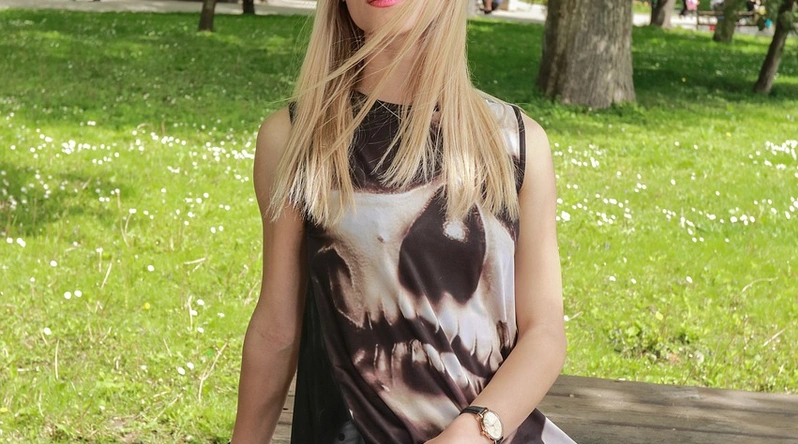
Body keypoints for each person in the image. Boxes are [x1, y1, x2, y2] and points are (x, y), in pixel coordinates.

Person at [230, 1, 574, 443]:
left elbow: (544, 332)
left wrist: (469, 433)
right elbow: (277, 329)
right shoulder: (296, 140)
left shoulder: (516, 144)